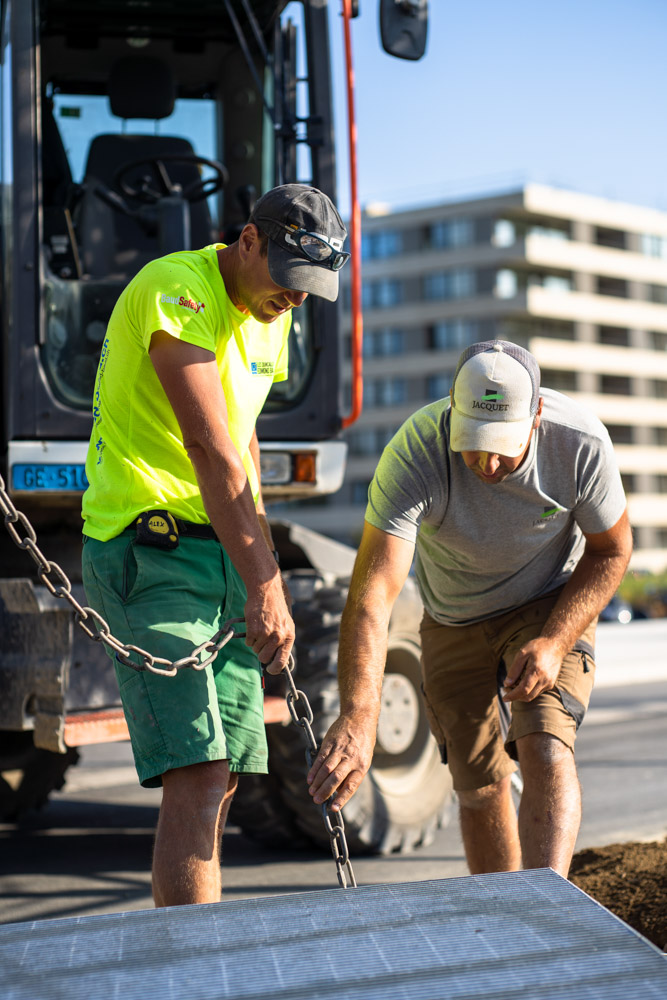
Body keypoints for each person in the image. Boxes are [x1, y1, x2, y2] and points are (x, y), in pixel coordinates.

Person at [81, 183, 348, 907]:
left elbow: (245, 436)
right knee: (197, 770)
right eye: (288, 281)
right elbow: (207, 444)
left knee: (224, 772)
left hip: (221, 551)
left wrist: (252, 559)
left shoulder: (273, 316)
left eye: (309, 290)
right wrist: (268, 584)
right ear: (248, 240)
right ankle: (189, 973)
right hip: (149, 549)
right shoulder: (177, 288)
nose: (294, 301)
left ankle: (203, 955)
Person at [307, 340, 632, 878]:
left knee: (545, 744)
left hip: (547, 602)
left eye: (502, 445)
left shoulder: (579, 444)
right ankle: (502, 918)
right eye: (472, 443)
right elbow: (374, 592)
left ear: (536, 417)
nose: (485, 462)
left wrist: (554, 642)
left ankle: (545, 902)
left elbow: (612, 551)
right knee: (478, 784)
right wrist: (361, 717)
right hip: (453, 615)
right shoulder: (416, 451)